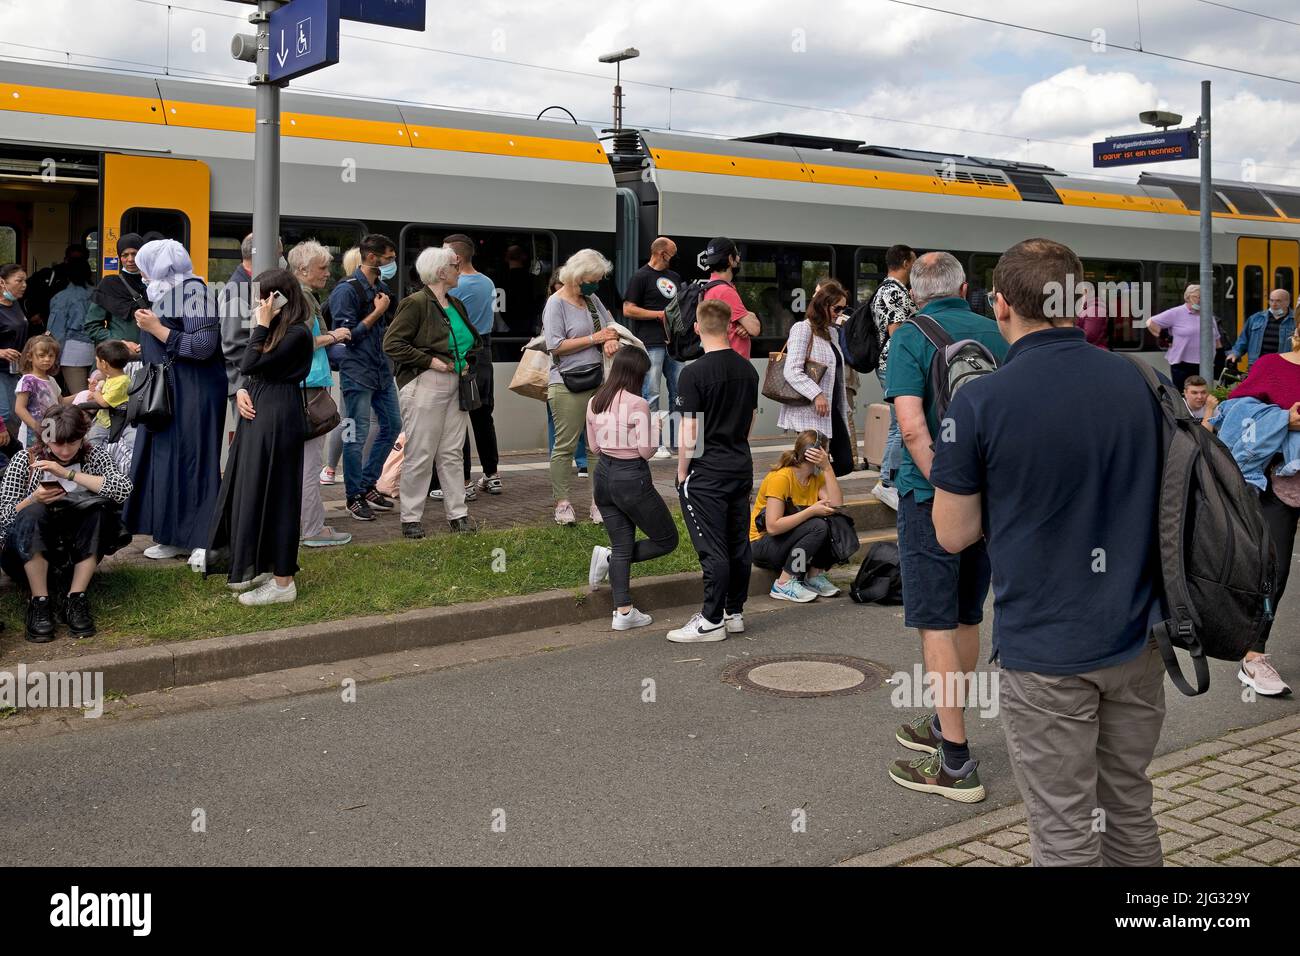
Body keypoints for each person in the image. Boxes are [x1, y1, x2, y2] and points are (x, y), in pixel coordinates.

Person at [931, 238, 1166, 865]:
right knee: (1130, 810)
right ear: (1078, 301)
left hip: (1045, 652)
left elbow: (951, 534)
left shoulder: (981, 400)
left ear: (1001, 306)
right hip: (1140, 637)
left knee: (1064, 831)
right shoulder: (1142, 382)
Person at [883, 250, 1008, 802]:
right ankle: (944, 722)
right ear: (965, 285)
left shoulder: (910, 335)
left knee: (934, 620)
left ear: (917, 291)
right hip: (991, 495)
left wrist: (947, 491)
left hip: (927, 497)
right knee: (965, 613)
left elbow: (912, 430)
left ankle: (955, 762)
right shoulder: (999, 332)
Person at [207, 270, 315, 604]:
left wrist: (261, 324)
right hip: (261, 411)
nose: (259, 303)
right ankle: (264, 566)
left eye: (264, 297)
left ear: (279, 297)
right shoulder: (282, 329)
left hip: (279, 416)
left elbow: (251, 362)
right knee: (253, 489)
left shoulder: (297, 332)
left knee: (279, 495)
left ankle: (284, 583)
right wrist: (241, 391)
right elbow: (252, 372)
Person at [123, 239, 226, 564]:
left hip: (194, 390)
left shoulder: (194, 292)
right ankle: (171, 535)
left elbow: (204, 345)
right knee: (166, 461)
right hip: (172, 389)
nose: (139, 270)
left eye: (143, 263)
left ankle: (203, 537)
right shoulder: (166, 291)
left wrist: (156, 329)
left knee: (195, 460)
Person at [1209, 331, 1300, 696]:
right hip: (1280, 484)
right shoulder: (1271, 366)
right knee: (1272, 570)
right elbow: (1231, 412)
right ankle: (1253, 656)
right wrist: (1283, 420)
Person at [668, 298, 759, 643]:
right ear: (729, 327)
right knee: (738, 541)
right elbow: (749, 420)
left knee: (712, 546)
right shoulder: (747, 369)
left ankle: (710, 620)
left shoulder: (692, 374)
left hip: (707, 473)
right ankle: (734, 612)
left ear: (696, 328)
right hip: (740, 464)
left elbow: (690, 431)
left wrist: (681, 472)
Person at [0, 405, 132, 642]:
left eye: (72, 442)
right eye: (58, 443)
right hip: (25, 552)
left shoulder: (94, 456)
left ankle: (76, 597)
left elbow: (123, 488)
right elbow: (3, 518)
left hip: (73, 551)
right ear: (46, 439)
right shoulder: (25, 459)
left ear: (82, 438)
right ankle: (40, 601)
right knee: (34, 511)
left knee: (98, 512)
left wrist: (68, 474)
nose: (64, 450)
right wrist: (32, 499)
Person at [383, 245, 482, 537]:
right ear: (441, 272)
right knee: (421, 451)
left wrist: (464, 363)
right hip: (426, 382)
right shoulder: (415, 303)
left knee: (452, 451)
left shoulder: (455, 303)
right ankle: (411, 518)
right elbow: (392, 344)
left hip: (455, 383)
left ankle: (458, 514)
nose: (458, 269)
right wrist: (431, 361)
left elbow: (470, 342)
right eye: (454, 265)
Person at [585, 347, 677, 629]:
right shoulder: (638, 404)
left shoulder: (594, 401)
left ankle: (623, 611)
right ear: (637, 373)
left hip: (603, 477)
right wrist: (657, 429)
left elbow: (594, 446)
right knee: (667, 539)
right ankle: (610, 560)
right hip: (631, 478)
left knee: (622, 545)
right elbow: (647, 451)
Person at [543, 249, 619, 526]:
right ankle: (562, 503)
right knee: (564, 446)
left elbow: (610, 325)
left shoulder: (592, 299)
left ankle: (598, 503)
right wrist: (594, 338)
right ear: (577, 277)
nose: (596, 284)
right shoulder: (556, 303)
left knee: (597, 446)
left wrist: (610, 338)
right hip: (566, 383)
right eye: (593, 279)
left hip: (597, 381)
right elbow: (555, 345)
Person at [329, 233, 399, 521]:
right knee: (354, 436)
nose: (393, 262)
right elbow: (346, 336)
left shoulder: (380, 286)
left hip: (381, 370)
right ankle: (353, 496)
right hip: (356, 372)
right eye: (389, 258)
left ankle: (368, 483)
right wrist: (377, 312)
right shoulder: (346, 291)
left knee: (392, 425)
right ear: (372, 257)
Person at [289, 240, 351, 548]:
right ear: (302, 270)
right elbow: (302, 343)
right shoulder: (302, 299)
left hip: (304, 385)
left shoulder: (299, 296)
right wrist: (334, 336)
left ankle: (306, 525)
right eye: (323, 267)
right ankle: (312, 529)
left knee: (303, 463)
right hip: (309, 388)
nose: (328, 273)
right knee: (310, 464)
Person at [435, 233, 501, 499]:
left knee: (458, 418)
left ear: (457, 258)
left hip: (462, 354)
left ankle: (463, 482)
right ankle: (492, 475)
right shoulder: (487, 282)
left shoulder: (455, 285)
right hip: (484, 353)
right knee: (483, 416)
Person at [750, 430, 843, 603]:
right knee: (817, 525)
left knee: (832, 518)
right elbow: (772, 526)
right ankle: (785, 582)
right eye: (826, 452)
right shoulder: (782, 478)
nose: (828, 455)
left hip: (786, 541)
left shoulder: (815, 478)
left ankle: (813, 577)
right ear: (817, 453)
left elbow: (836, 504)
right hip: (762, 545)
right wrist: (810, 511)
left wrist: (828, 468)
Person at [778, 280, 852, 468]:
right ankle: (800, 489)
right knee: (813, 465)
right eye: (837, 309)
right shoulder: (803, 328)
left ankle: (810, 488)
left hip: (831, 408)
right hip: (810, 410)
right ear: (823, 305)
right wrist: (816, 394)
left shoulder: (832, 332)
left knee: (844, 463)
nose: (840, 313)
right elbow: (792, 370)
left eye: (843, 309)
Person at [622, 237, 682, 460]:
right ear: (661, 253)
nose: (674, 258)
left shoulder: (674, 277)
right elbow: (628, 309)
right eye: (672, 254)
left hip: (674, 343)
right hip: (650, 341)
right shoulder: (640, 277)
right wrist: (658, 315)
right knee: (652, 393)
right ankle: (654, 444)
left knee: (679, 392)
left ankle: (676, 441)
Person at [870, 244, 916, 508]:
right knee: (901, 425)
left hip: (892, 362)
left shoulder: (889, 290)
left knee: (897, 424)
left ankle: (890, 480)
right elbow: (897, 331)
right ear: (906, 262)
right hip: (896, 363)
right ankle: (887, 482)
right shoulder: (892, 291)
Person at [221, 233, 284, 422]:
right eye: (280, 254)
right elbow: (232, 343)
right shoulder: (237, 289)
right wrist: (260, 370)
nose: (282, 260)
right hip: (248, 386)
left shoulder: (252, 285)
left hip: (252, 383)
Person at [319, 245, 363, 487]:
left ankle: (330, 468)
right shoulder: (353, 292)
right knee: (353, 418)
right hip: (355, 364)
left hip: (345, 363)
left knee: (347, 416)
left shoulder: (337, 291)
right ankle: (339, 468)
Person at [542, 271, 588, 475]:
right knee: (558, 420)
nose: (561, 294)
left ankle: (580, 460)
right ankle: (563, 460)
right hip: (559, 372)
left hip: (576, 372)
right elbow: (554, 343)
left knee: (576, 421)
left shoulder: (589, 302)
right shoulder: (553, 304)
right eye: (556, 290)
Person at [1147, 284, 1220, 391]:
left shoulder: (1208, 315)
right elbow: (1150, 322)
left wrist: (1220, 360)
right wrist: (1165, 337)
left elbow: (1217, 339)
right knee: (1183, 394)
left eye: (1202, 297)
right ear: (1188, 297)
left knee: (1202, 394)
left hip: (1205, 363)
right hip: (1182, 364)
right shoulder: (1176, 312)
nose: (1199, 300)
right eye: (1196, 297)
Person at [85, 234, 145, 361]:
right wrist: (121, 343)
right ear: (119, 257)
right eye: (125, 255)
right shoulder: (109, 284)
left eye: (135, 253)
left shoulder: (155, 284)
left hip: (150, 359)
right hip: (117, 361)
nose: (130, 259)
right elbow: (92, 326)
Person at [700, 237, 761, 358]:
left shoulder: (710, 288)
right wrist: (749, 318)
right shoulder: (725, 291)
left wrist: (743, 324)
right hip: (733, 364)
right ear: (730, 259)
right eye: (737, 255)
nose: (738, 259)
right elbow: (754, 328)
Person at [45, 256, 96, 394]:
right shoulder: (97, 293)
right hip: (98, 348)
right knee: (96, 394)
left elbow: (57, 331)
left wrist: (53, 357)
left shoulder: (61, 297)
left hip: (72, 351)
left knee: (79, 397)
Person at [85, 339, 135, 471]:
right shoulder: (113, 378)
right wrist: (97, 388)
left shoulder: (122, 381)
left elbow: (104, 402)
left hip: (110, 421)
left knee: (91, 442)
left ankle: (93, 467)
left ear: (104, 364)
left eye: (97, 360)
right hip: (105, 418)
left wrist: (96, 393)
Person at [13, 334, 70, 447]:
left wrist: (85, 393)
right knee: (33, 461)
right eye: (41, 355)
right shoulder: (27, 380)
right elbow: (19, 408)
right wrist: (36, 426)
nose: (47, 359)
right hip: (32, 433)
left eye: (51, 356)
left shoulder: (51, 380)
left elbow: (61, 402)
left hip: (51, 429)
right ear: (30, 357)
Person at [0, 262, 31, 455]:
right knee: (4, 416)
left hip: (14, 370)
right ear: (2, 282)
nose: (24, 285)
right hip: (0, 370)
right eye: (19, 281)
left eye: (25, 280)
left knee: (15, 416)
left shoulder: (16, 304)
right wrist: (0, 352)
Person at [23, 243, 89, 330]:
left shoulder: (86, 284)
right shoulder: (47, 275)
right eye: (74, 260)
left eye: (80, 261)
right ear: (66, 259)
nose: (76, 264)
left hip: (71, 329)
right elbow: (24, 293)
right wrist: (32, 314)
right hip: (43, 326)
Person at [1227, 289, 1294, 368]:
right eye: (1271, 300)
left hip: (1284, 367)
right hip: (1257, 365)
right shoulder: (1256, 318)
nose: (1274, 304)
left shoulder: (1296, 321)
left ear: (1287, 302)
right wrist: (1235, 353)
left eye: (1278, 301)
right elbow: (1243, 340)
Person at [1075, 282, 1110, 350]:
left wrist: (1070, 329)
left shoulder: (1095, 309)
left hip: (1094, 352)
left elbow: (1090, 336)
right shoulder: (1087, 308)